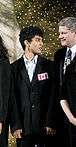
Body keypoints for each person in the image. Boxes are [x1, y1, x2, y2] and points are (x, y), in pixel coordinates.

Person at [12, 26, 56, 147]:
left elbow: (53, 96)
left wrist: (50, 122)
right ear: (27, 42)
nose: (41, 43)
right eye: (38, 40)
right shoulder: (13, 68)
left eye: (42, 40)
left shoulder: (50, 66)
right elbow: (13, 100)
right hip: (23, 129)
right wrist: (15, 125)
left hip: (45, 128)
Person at [58, 17, 76, 147]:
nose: (60, 36)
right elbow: (58, 87)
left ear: (74, 32)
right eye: (59, 33)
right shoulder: (58, 54)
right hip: (63, 116)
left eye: (63, 33)